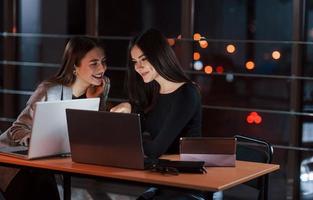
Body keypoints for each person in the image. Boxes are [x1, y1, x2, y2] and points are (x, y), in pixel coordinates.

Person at [0, 36, 110, 200]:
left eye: (103, 61)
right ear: (75, 67)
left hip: (46, 167)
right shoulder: (50, 90)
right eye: (94, 63)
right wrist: (33, 139)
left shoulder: (99, 89)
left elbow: (94, 138)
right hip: (18, 166)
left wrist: (96, 100)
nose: (102, 68)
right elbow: (17, 129)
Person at [111, 28, 202, 199]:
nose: (138, 67)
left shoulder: (187, 93)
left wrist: (125, 142)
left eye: (143, 59)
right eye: (134, 61)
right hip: (163, 180)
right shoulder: (155, 91)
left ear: (160, 55)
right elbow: (145, 124)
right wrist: (129, 106)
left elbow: (156, 150)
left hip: (186, 186)